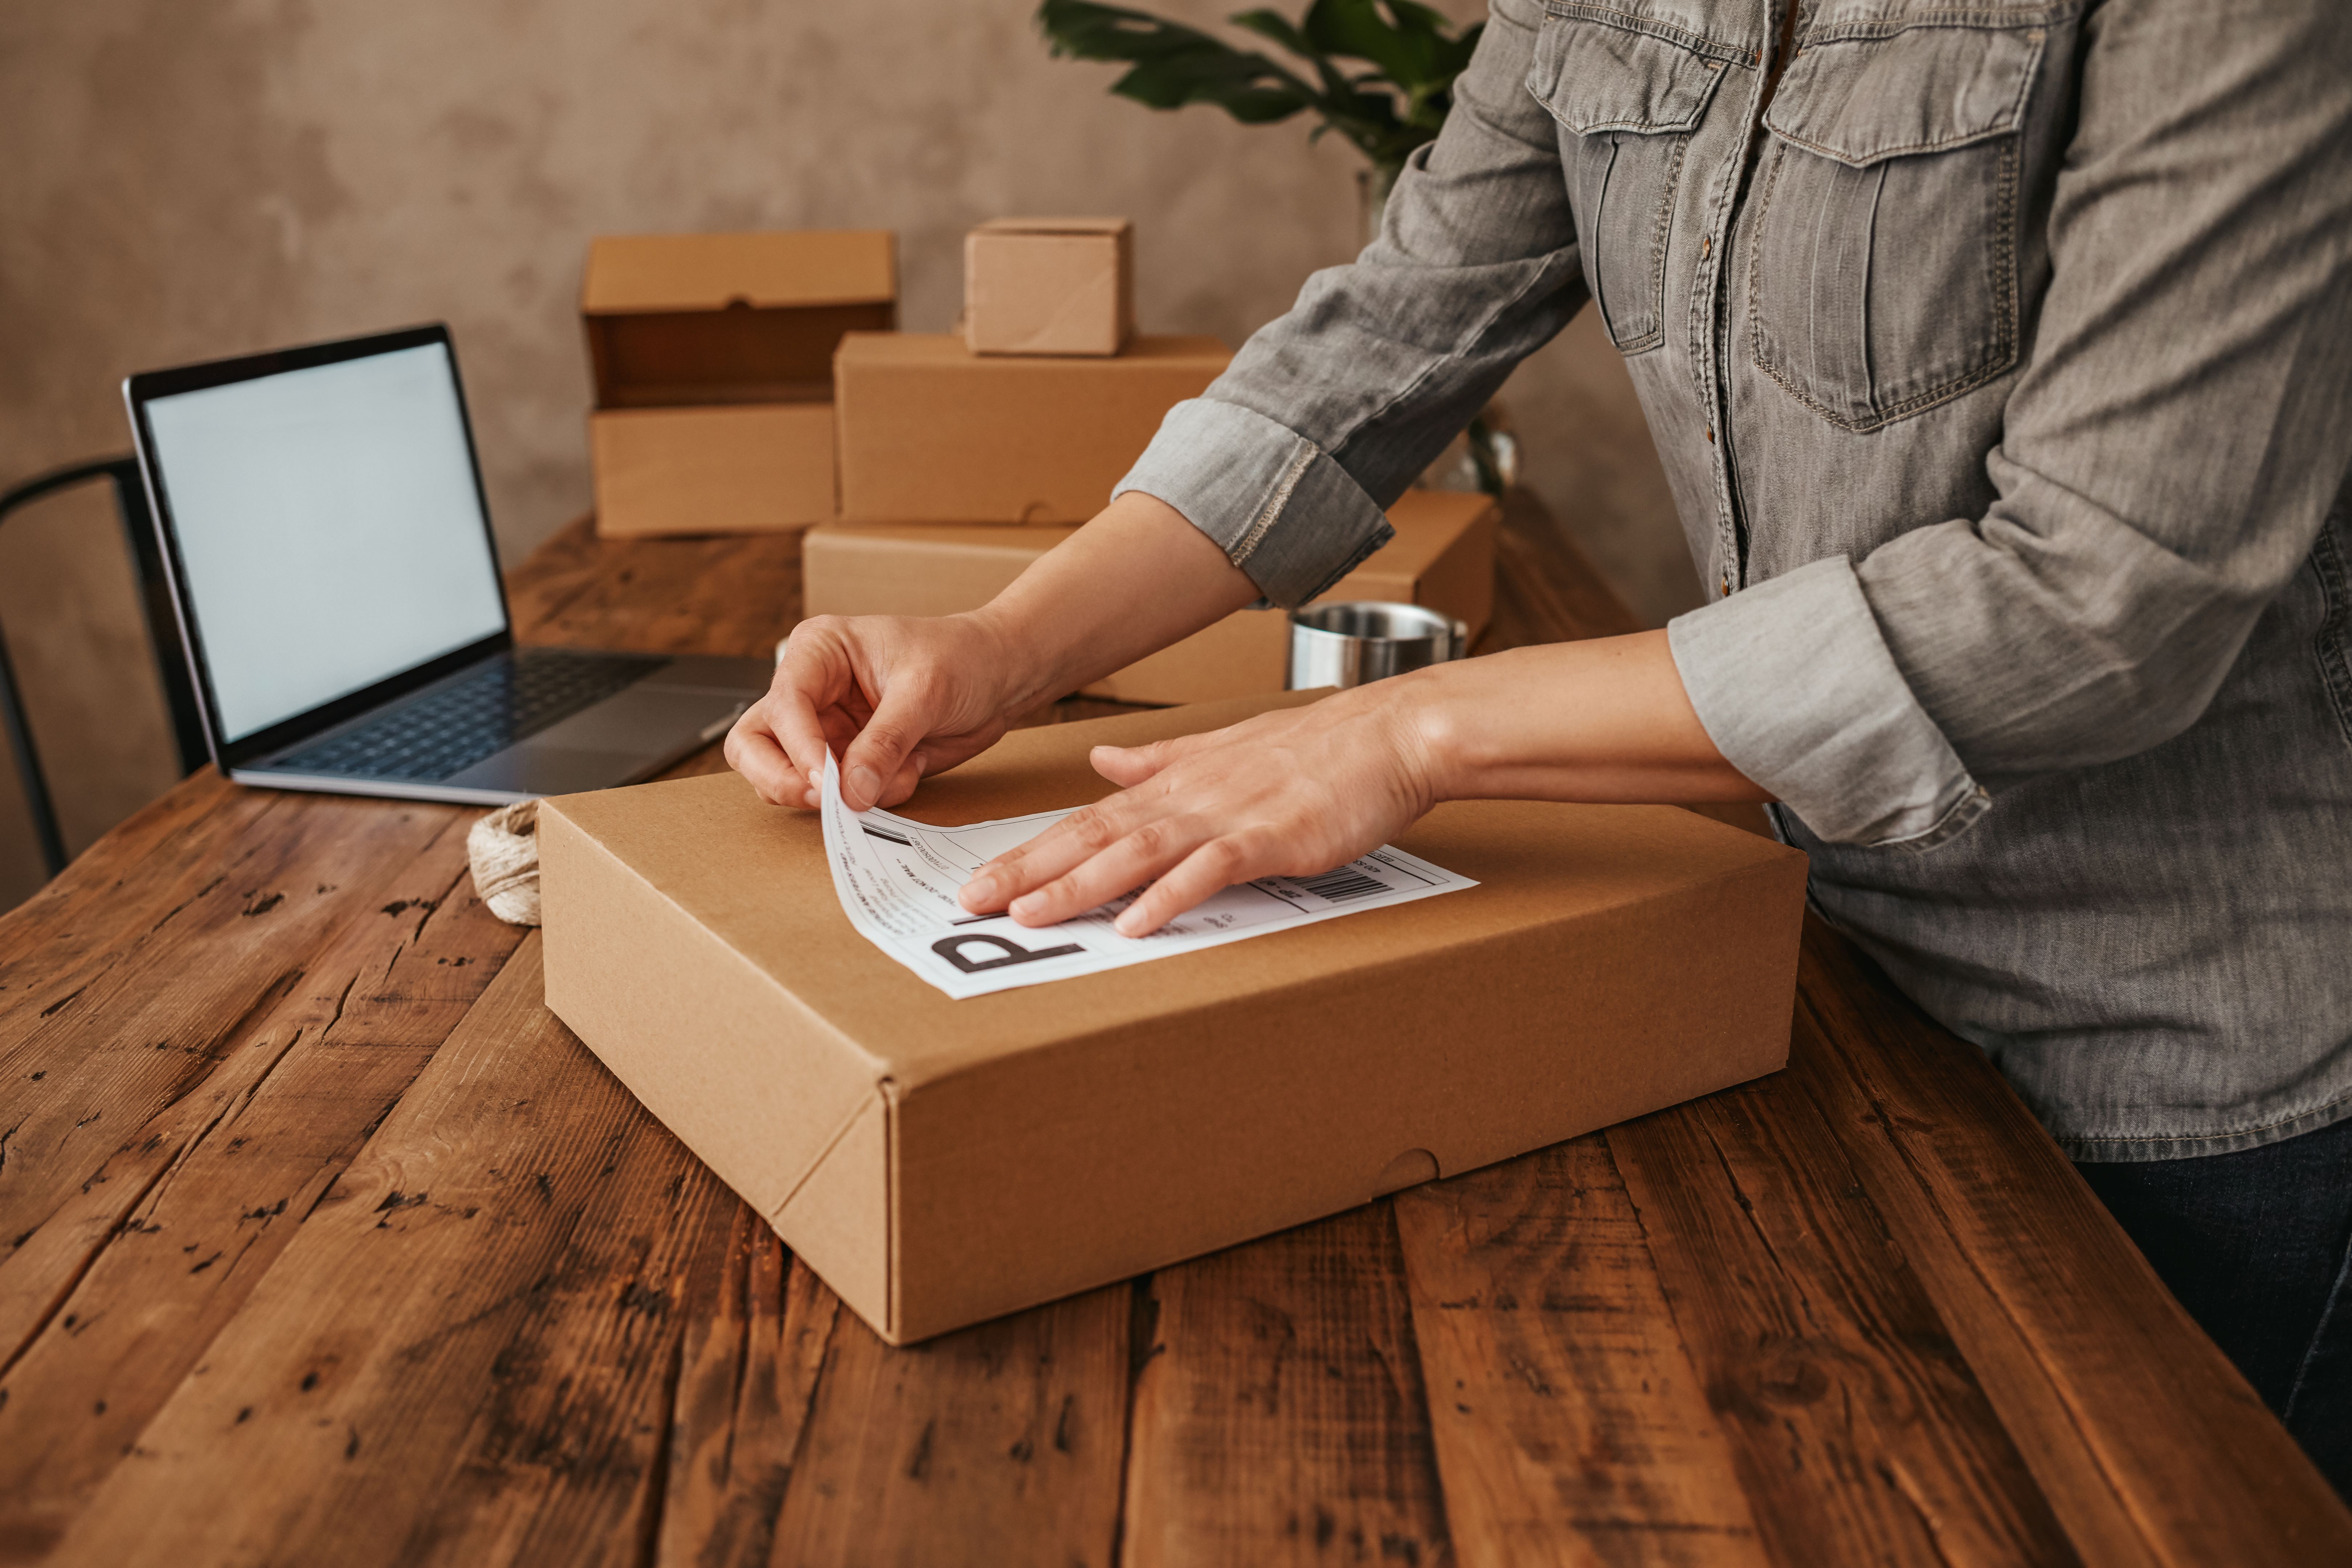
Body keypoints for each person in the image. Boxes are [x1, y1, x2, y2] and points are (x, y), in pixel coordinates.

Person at [729, 0, 2352, 1490]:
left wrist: (1412, 733)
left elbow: (2103, 600)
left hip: (2194, 1070)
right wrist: (1006, 649)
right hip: (1828, 974)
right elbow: (1378, 344)